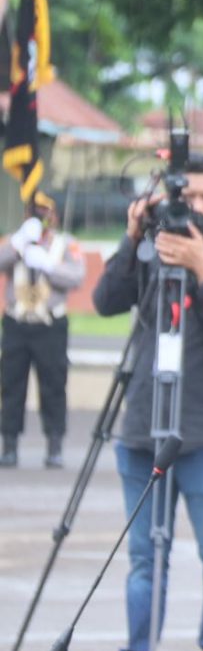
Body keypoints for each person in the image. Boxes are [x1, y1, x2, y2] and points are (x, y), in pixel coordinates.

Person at [91, 153, 203, 651]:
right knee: (144, 558)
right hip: (142, 431)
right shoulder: (149, 250)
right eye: (189, 199)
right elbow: (104, 301)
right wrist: (132, 236)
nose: (198, 208)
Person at [0, 192, 84, 468]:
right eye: (33, 212)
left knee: (53, 385)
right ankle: (9, 443)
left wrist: (48, 265)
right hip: (17, 323)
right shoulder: (16, 241)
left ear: (54, 215)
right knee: (11, 385)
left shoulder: (65, 244)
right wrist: (18, 245)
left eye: (44, 212)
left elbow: (76, 277)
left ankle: (54, 444)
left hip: (50, 325)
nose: (39, 217)